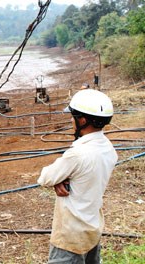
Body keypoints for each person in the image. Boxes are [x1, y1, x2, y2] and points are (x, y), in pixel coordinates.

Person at [38, 89, 117, 263]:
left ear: (82, 120)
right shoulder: (108, 149)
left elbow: (45, 177)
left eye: (73, 116)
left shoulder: (77, 155)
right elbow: (85, 176)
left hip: (70, 235)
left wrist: (59, 179)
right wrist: (65, 179)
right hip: (92, 229)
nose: (71, 120)